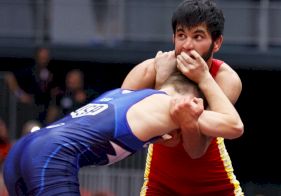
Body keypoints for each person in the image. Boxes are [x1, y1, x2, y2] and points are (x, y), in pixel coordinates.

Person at [3, 70, 243, 196]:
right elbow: (233, 126)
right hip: (50, 158)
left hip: (20, 153)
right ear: (189, 97)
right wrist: (205, 78)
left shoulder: (123, 93)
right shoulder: (175, 105)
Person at [121, 0, 244, 195]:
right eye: (181, 35)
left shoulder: (225, 78)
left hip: (216, 186)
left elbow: (196, 150)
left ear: (217, 42)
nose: (187, 45)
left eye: (197, 36)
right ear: (173, 38)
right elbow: (118, 127)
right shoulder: (150, 69)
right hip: (160, 185)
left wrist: (202, 78)